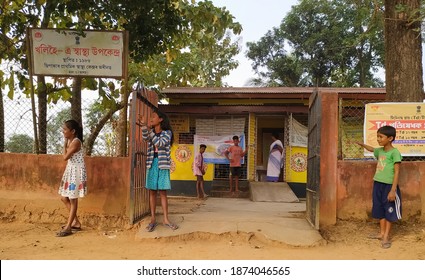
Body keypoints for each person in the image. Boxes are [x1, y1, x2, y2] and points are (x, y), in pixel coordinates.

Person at [356, 125, 402, 249]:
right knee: (380, 209)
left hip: (389, 186)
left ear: (390, 138)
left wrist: (393, 190)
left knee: (389, 210)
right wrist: (362, 144)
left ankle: (386, 236)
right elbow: (372, 149)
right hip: (378, 184)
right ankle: (381, 233)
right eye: (377, 136)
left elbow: (397, 172)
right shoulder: (380, 151)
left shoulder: (395, 152)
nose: (378, 139)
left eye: (381, 137)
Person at [141, 109, 178, 232]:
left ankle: (166, 219)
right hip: (152, 163)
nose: (151, 119)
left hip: (163, 164)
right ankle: (153, 219)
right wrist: (143, 126)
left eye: (153, 117)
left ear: (160, 119)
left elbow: (160, 143)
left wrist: (150, 132)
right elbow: (145, 138)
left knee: (162, 192)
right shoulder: (151, 132)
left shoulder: (167, 133)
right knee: (152, 191)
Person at [57, 119, 87, 237]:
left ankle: (69, 226)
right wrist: (66, 144)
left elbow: (65, 157)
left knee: (73, 199)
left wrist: (64, 145)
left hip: (76, 171)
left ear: (73, 131)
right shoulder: (71, 141)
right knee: (64, 198)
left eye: (65, 129)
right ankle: (76, 222)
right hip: (71, 170)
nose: (63, 131)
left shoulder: (75, 142)